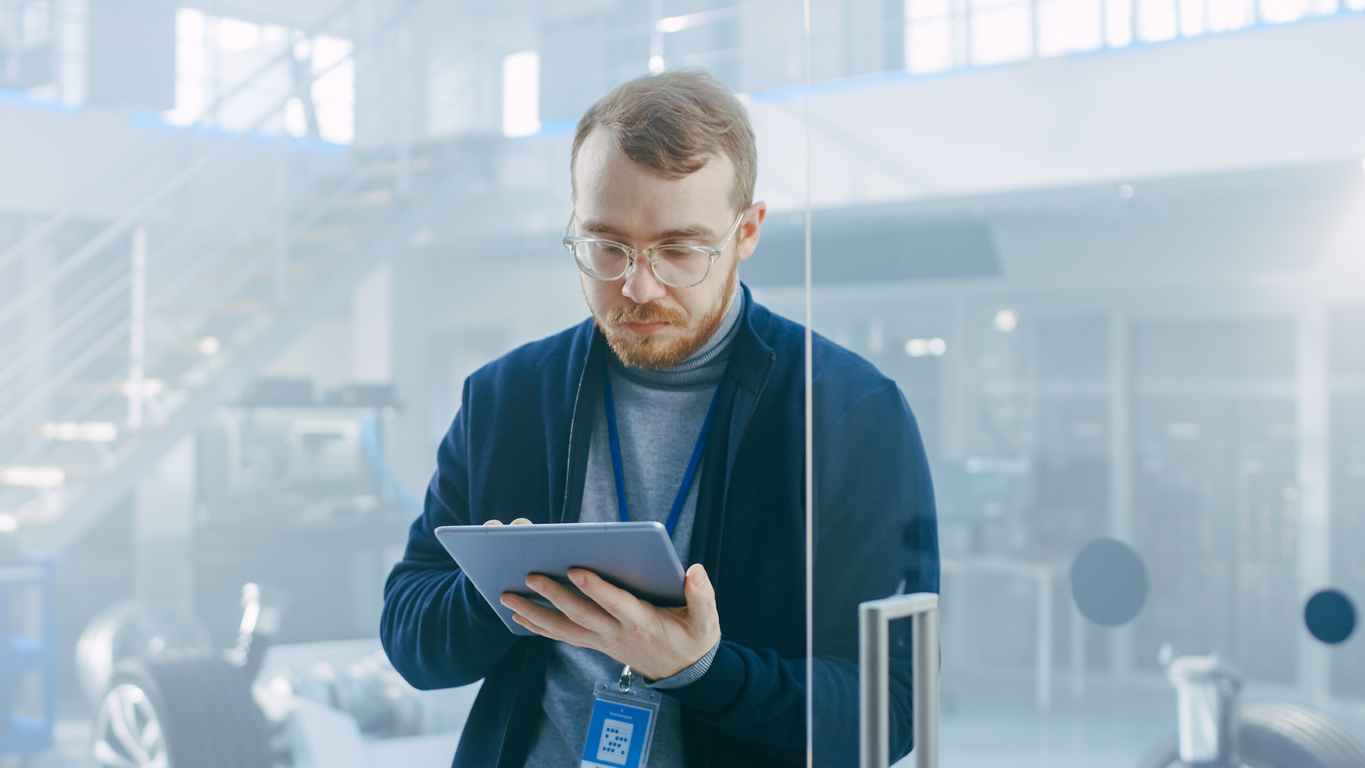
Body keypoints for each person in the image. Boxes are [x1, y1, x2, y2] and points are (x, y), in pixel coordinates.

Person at [381, 68, 939, 768]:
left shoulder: (850, 413)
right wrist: (493, 595)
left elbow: (891, 710)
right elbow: (409, 638)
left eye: (678, 250)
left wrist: (703, 669)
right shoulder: (506, 397)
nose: (637, 287)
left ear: (747, 232)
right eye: (605, 247)